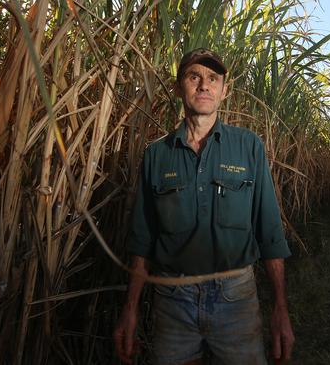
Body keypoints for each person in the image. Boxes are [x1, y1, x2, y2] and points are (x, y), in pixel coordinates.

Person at [113, 48, 295, 365]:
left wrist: (281, 309)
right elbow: (142, 240)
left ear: (225, 91)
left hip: (236, 297)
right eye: (194, 76)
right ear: (178, 87)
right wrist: (129, 309)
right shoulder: (156, 154)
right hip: (173, 300)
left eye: (213, 78)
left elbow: (270, 232)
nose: (203, 85)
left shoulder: (249, 145)